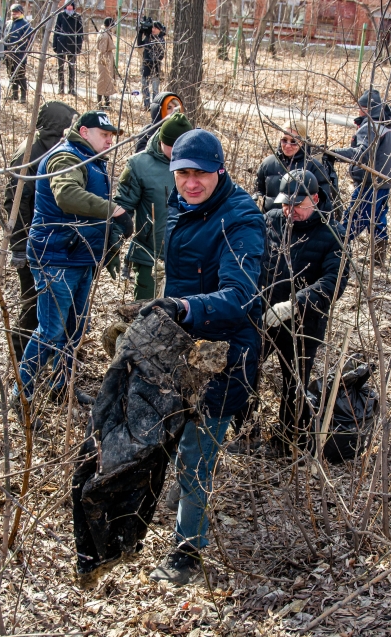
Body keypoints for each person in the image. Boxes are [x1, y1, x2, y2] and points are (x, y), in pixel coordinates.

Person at [140, 129, 265, 586]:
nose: (191, 183)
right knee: (171, 430)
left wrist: (186, 307)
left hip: (225, 354)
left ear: (221, 170)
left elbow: (241, 294)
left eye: (201, 173)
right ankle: (182, 494)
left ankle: (188, 551)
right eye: (182, 173)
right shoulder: (183, 206)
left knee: (197, 451)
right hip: (182, 345)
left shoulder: (240, 218)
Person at [15, 111, 133, 408]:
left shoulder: (90, 160)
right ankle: (21, 395)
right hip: (57, 258)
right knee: (51, 330)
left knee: (75, 329)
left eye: (111, 136)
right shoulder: (67, 158)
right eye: (104, 134)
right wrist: (114, 211)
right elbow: (67, 195)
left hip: (80, 258)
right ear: (84, 131)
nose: (109, 141)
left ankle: (60, 388)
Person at [236, 169, 349, 456]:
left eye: (297, 205)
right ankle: (246, 433)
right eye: (286, 203)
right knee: (245, 370)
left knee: (294, 384)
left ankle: (285, 442)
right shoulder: (270, 221)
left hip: (304, 324)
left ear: (315, 198)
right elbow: (248, 257)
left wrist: (295, 304)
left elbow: (333, 283)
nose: (290, 210)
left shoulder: (333, 234)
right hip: (263, 316)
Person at [5, 101, 78, 357]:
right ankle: (20, 361)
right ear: (58, 126)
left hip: (57, 245)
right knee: (31, 307)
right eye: (69, 125)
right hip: (32, 245)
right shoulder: (30, 153)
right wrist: (20, 246)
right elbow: (14, 203)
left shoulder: (59, 151)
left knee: (56, 309)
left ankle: (50, 363)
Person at [113, 112, 193, 300]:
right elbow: (122, 207)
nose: (177, 152)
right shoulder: (138, 165)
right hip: (150, 257)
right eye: (172, 146)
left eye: (182, 147)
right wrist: (113, 246)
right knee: (146, 316)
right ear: (161, 141)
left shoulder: (197, 165)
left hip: (189, 259)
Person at [331, 88, 391, 253]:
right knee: (377, 218)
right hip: (385, 180)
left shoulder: (372, 126)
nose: (358, 111)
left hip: (370, 182)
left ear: (367, 109)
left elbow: (362, 154)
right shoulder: (387, 123)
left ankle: (338, 251)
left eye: (361, 108)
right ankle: (378, 256)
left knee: (354, 218)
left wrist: (333, 153)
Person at [255, 120, 336, 215]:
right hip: (270, 223)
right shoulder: (268, 163)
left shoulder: (314, 167)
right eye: (284, 140)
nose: (288, 145)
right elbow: (258, 191)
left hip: (301, 225)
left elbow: (324, 203)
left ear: (302, 142)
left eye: (293, 141)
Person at [52, 0, 83, 95]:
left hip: (72, 46)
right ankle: (61, 88)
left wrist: (78, 47)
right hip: (61, 45)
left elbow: (80, 34)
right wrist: (55, 45)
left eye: (71, 6)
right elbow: (56, 31)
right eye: (68, 5)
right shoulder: (60, 16)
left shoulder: (77, 17)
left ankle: (71, 89)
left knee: (72, 67)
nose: (69, 7)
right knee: (60, 68)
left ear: (73, 7)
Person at [136, 17, 165, 110]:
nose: (153, 30)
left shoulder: (161, 40)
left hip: (155, 66)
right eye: (152, 28)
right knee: (144, 86)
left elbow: (161, 55)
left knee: (155, 89)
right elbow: (140, 44)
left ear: (160, 30)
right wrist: (141, 32)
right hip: (146, 65)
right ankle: (146, 105)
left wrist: (153, 59)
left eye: (156, 28)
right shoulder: (149, 37)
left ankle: (155, 107)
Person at [5, 4, 32, 103]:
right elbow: (5, 38)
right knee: (11, 74)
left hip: (20, 55)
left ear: (21, 12)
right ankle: (14, 94)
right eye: (12, 11)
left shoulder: (25, 24)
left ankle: (23, 96)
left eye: (16, 11)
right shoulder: (9, 23)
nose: (14, 13)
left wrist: (24, 51)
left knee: (20, 75)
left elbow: (30, 40)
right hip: (9, 53)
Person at [95, 17, 116, 108]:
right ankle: (100, 103)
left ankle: (107, 102)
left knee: (107, 82)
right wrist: (105, 62)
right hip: (104, 61)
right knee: (102, 81)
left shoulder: (105, 32)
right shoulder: (104, 34)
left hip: (107, 60)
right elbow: (102, 50)